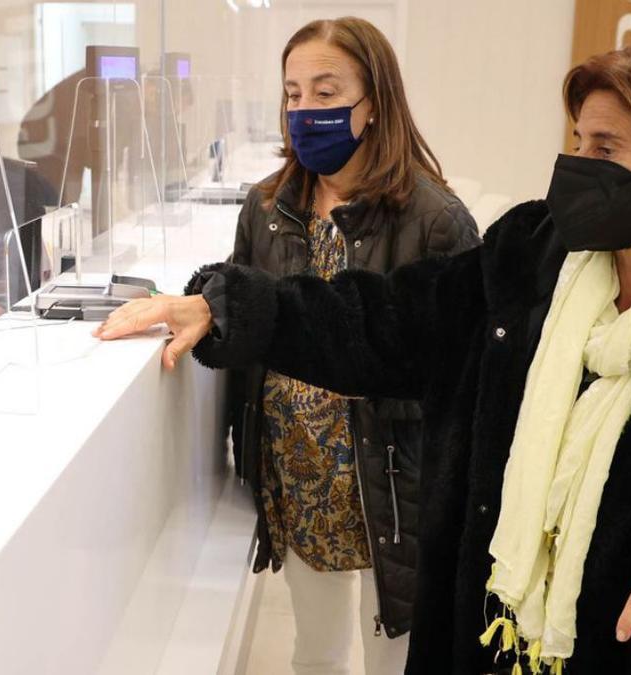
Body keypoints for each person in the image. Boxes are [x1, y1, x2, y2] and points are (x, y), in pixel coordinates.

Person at [95, 33, 631, 674]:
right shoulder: (531, 254)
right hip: (482, 640)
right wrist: (228, 306)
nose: (574, 167)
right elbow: (383, 319)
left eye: (604, 149)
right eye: (576, 140)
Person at [215, 16, 479, 675]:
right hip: (299, 482)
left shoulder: (435, 220)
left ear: (375, 102)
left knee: (393, 659)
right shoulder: (268, 207)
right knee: (317, 655)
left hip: (391, 488)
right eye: (293, 94)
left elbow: (464, 375)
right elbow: (246, 329)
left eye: (326, 93)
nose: (305, 111)